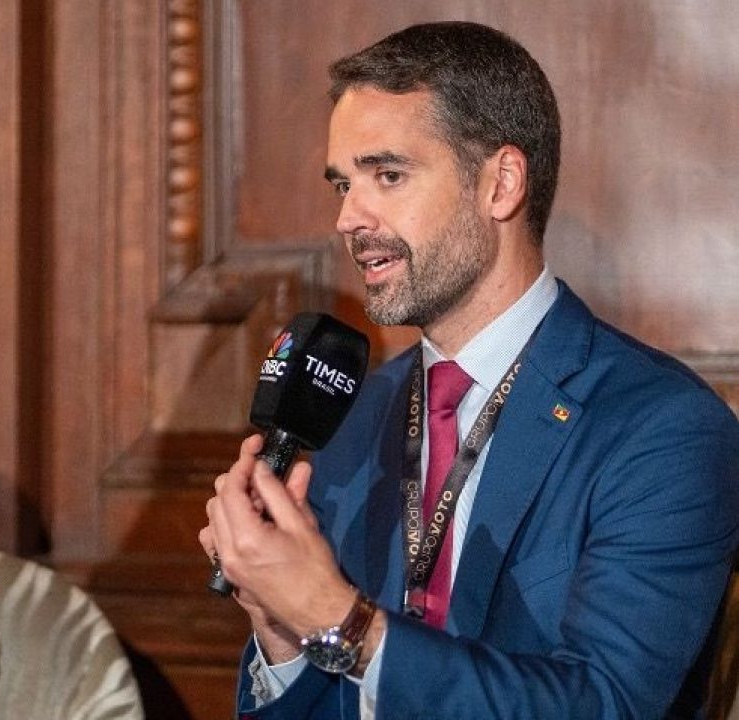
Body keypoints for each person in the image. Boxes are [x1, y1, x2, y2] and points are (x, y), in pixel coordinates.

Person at [200, 21, 739, 719]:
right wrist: (282, 629)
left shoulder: (664, 429)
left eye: (387, 175)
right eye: (343, 183)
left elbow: (605, 704)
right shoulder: (353, 419)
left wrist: (346, 623)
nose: (348, 217)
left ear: (501, 184)